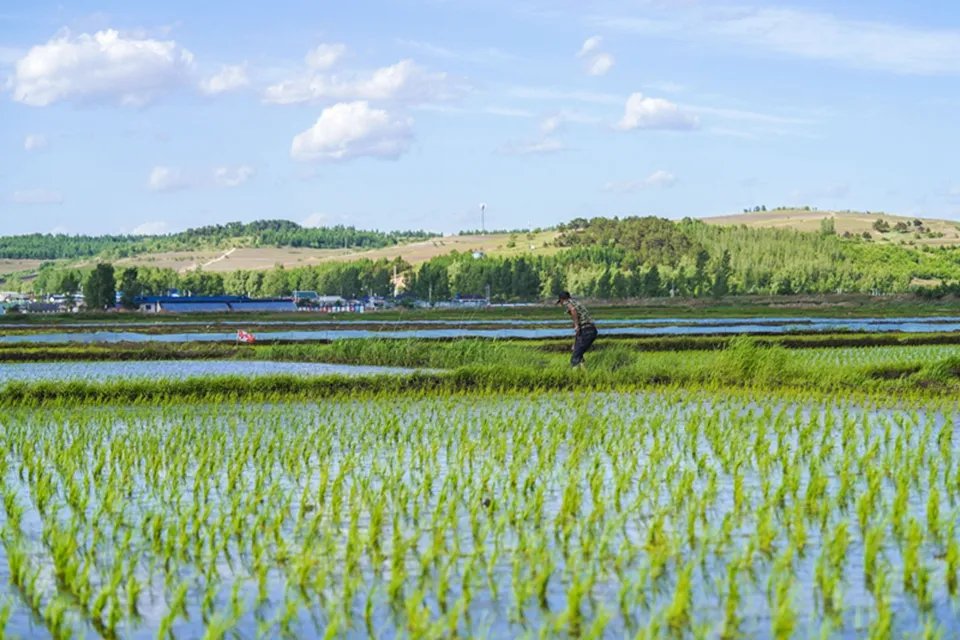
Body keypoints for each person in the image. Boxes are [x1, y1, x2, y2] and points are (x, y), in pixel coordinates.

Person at [556, 291, 598, 367]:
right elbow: (578, 329)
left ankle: (574, 372)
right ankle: (584, 372)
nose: (561, 304)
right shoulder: (576, 302)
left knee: (574, 358)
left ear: (562, 299)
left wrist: (576, 325)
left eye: (560, 302)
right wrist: (575, 343)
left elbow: (572, 310)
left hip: (586, 330)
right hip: (591, 330)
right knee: (578, 353)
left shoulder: (567, 302)